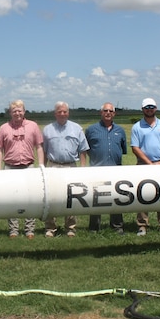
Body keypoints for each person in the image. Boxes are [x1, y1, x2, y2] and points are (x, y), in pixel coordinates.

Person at [0, 100, 44, 239]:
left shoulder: (33, 126)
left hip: (29, 166)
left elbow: (39, 147)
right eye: (14, 111)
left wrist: (41, 166)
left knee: (31, 198)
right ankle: (14, 230)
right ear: (10, 113)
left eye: (19, 110)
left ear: (24, 111)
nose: (17, 113)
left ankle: (29, 230)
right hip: (10, 167)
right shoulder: (4, 128)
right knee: (12, 199)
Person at [42, 102, 89, 237]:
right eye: (59, 112)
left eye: (64, 111)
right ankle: (50, 228)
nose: (62, 114)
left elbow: (83, 150)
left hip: (71, 167)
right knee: (51, 197)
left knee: (72, 197)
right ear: (55, 113)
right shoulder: (47, 130)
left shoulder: (77, 128)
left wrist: (82, 168)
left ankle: (70, 228)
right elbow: (44, 151)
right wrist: (44, 169)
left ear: (68, 113)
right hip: (53, 166)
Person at [130, 98, 160, 236]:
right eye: (146, 107)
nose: (149, 109)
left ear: (156, 108)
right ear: (142, 109)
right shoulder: (137, 127)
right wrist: (149, 163)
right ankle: (142, 225)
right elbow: (135, 147)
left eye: (152, 107)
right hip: (143, 165)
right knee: (143, 195)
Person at [85, 102, 127, 234]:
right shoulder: (91, 130)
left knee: (117, 197)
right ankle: (94, 228)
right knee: (96, 198)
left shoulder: (120, 131)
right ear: (101, 112)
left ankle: (117, 226)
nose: (108, 113)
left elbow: (123, 149)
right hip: (97, 170)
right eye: (105, 111)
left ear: (114, 113)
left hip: (115, 169)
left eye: (110, 111)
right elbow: (86, 149)